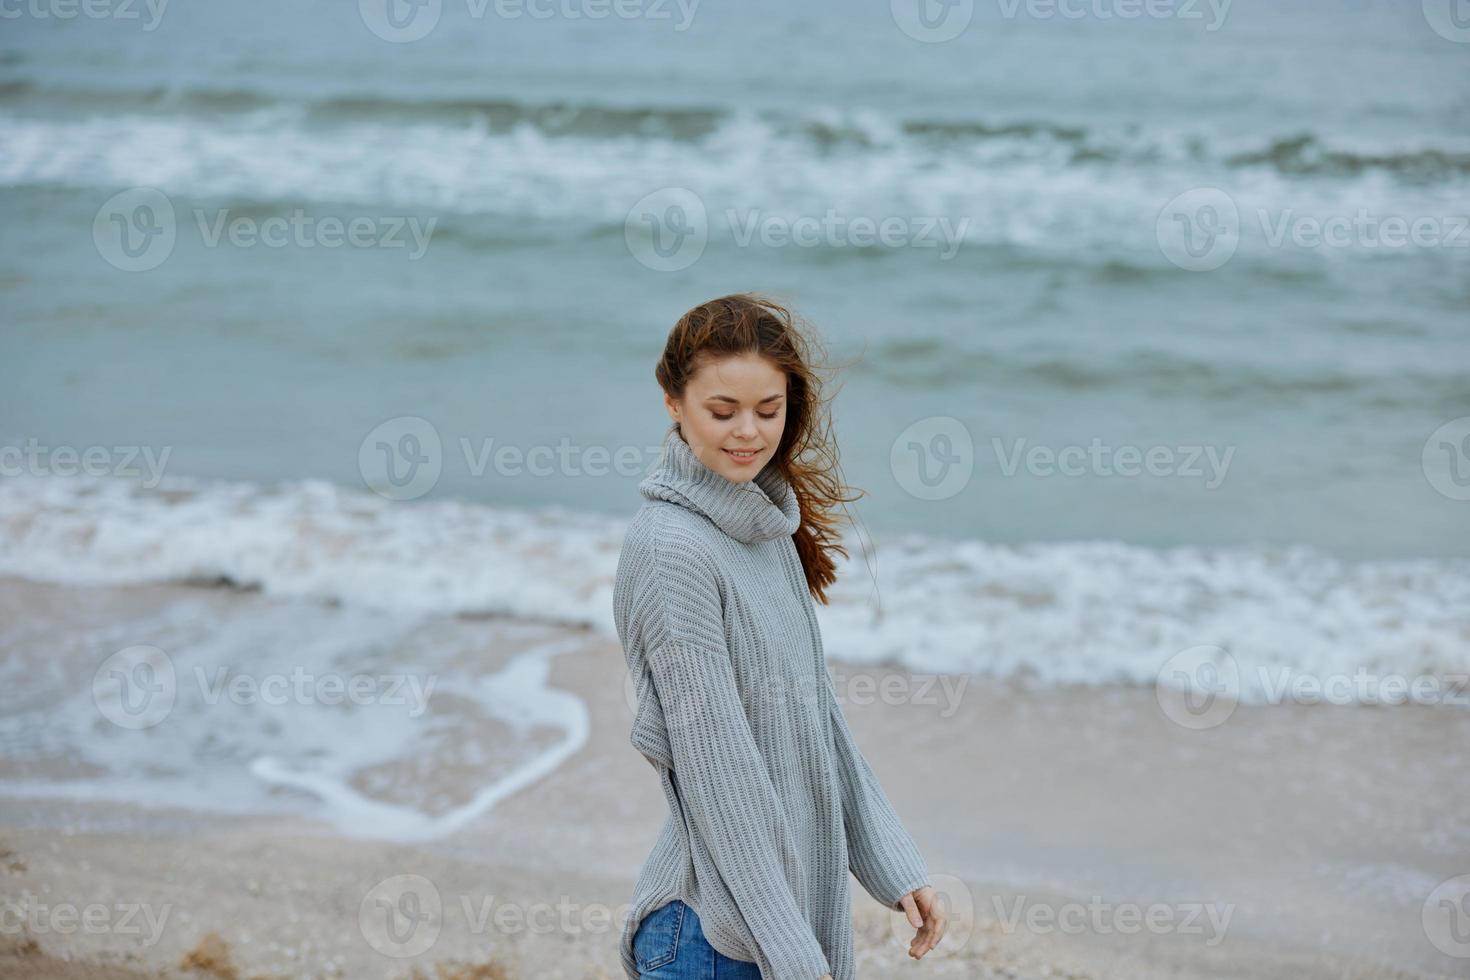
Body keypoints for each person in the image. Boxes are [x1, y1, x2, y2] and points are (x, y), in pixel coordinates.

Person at [613, 293, 946, 979]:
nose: (748, 433)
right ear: (672, 402)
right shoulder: (671, 550)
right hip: (714, 938)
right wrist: (792, 955)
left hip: (776, 923)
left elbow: (816, 720)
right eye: (722, 410)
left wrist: (890, 862)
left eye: (769, 410)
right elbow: (718, 776)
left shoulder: (766, 528)